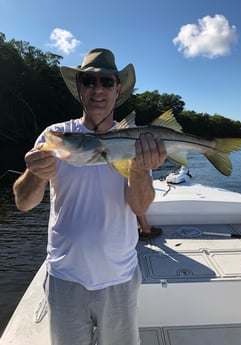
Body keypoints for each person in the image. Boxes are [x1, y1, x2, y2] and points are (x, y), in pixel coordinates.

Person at [13, 48, 167, 345]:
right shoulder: (55, 135)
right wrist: (35, 173)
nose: (98, 89)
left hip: (119, 278)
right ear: (79, 88)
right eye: (89, 81)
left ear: (117, 88)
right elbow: (24, 202)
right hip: (65, 277)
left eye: (106, 82)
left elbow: (139, 206)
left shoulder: (137, 139)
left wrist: (138, 170)